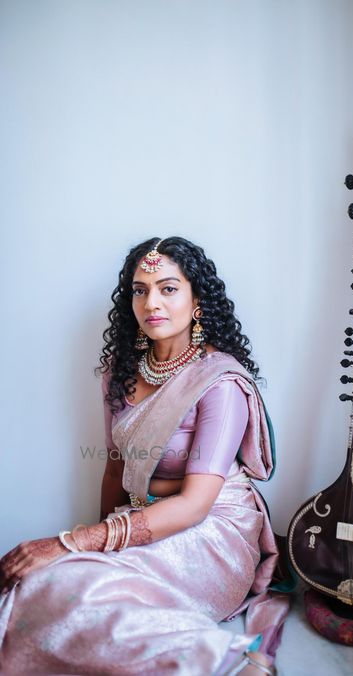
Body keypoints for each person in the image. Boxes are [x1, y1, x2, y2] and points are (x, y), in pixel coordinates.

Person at [0, 236, 291, 675]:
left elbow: (194, 506)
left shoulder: (220, 382)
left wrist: (72, 543)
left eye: (168, 288)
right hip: (139, 521)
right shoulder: (121, 372)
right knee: (34, 583)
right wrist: (95, 545)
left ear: (197, 302)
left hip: (211, 533)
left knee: (74, 586)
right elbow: (115, 465)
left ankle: (229, 664)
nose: (151, 302)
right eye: (140, 289)